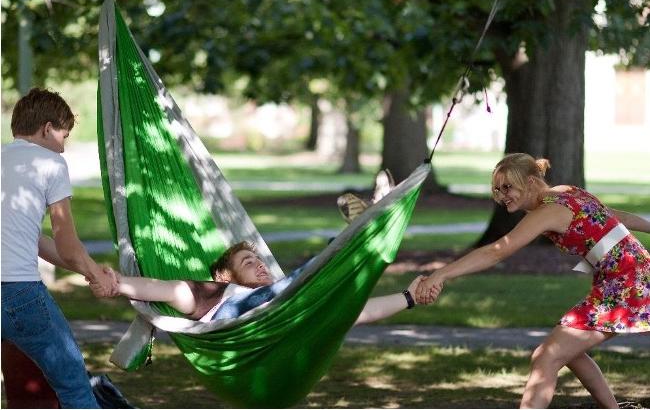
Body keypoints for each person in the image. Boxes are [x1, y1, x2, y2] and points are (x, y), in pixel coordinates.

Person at [414, 153, 650, 409]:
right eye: (497, 189)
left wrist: (441, 274)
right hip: (628, 278)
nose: (502, 195)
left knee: (546, 357)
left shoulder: (548, 211)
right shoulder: (567, 192)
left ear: (530, 182)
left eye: (508, 187)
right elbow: (615, 218)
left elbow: (496, 251)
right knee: (566, 352)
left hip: (627, 283)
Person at [1, 88, 118, 408]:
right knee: (74, 386)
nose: (63, 148)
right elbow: (67, 244)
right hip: (19, 293)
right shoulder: (50, 163)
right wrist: (99, 275)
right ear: (47, 129)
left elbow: (35, 241)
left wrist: (89, 270)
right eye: (64, 136)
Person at [97, 241, 428, 324]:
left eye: (259, 260)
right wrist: (119, 283)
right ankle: (353, 241)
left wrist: (409, 297)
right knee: (302, 281)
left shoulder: (288, 302)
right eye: (247, 262)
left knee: (330, 304)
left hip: (280, 317)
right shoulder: (212, 294)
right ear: (224, 276)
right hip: (240, 322)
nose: (258, 264)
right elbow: (166, 289)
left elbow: (352, 312)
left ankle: (356, 240)